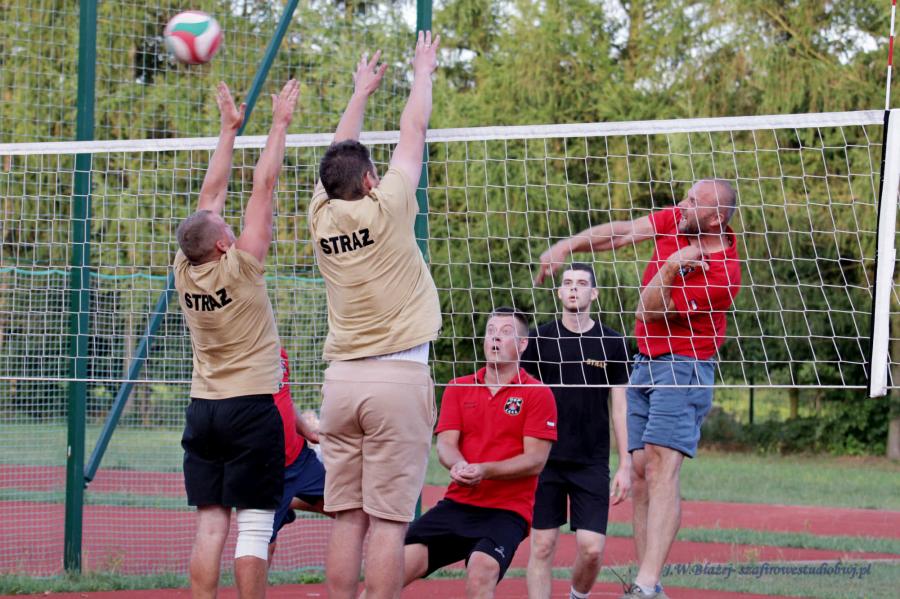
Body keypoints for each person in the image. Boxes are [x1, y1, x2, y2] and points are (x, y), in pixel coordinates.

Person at [535, 180, 741, 599]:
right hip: (646, 361)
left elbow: (647, 310)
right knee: (643, 473)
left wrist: (671, 266)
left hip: (683, 365)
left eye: (693, 201)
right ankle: (651, 584)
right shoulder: (680, 220)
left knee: (663, 467)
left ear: (715, 217)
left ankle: (645, 584)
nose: (681, 205)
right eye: (686, 197)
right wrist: (566, 247)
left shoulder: (723, 274)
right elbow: (624, 233)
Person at [307, 32, 442, 599]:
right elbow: (413, 129)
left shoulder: (319, 215)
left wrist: (360, 92)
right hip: (397, 376)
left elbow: (339, 153)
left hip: (341, 383)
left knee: (347, 518)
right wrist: (422, 71)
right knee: (389, 522)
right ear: (369, 181)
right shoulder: (389, 206)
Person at [174, 79, 299, 599]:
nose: (227, 222)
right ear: (224, 244)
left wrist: (229, 130)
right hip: (249, 406)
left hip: (203, 408)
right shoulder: (242, 266)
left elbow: (209, 197)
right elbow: (263, 188)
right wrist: (279, 124)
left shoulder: (184, 266)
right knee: (253, 524)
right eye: (226, 226)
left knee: (210, 526)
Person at [397, 307, 557, 599]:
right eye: (491, 331)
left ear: (522, 344)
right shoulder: (458, 387)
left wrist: (484, 470)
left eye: (505, 333)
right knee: (392, 569)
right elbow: (446, 444)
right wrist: (458, 465)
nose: (495, 338)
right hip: (457, 504)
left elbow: (535, 460)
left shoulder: (538, 393)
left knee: (482, 569)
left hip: (507, 511)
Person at [523, 263, 631, 599]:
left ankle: (577, 595)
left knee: (592, 549)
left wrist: (626, 464)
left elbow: (620, 406)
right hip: (545, 458)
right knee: (542, 545)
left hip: (591, 461)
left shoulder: (614, 343)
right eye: (567, 282)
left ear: (593, 294)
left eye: (582, 283)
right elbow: (523, 397)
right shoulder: (539, 339)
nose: (573, 288)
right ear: (559, 292)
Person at [267, 347, 327, 563]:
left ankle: (289, 501)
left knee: (348, 509)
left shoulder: (279, 351)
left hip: (299, 459)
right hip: (266, 469)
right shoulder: (241, 349)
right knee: (264, 544)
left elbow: (284, 399)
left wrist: (308, 432)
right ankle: (284, 502)